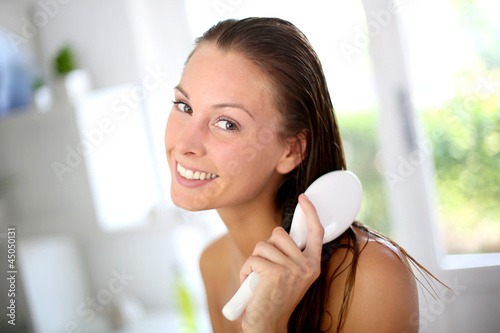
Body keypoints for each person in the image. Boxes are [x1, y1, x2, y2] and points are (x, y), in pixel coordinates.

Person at [165, 17, 439, 332]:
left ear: (291, 150)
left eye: (227, 123)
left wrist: (268, 325)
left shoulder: (372, 276)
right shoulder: (211, 263)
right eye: (184, 107)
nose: (184, 143)